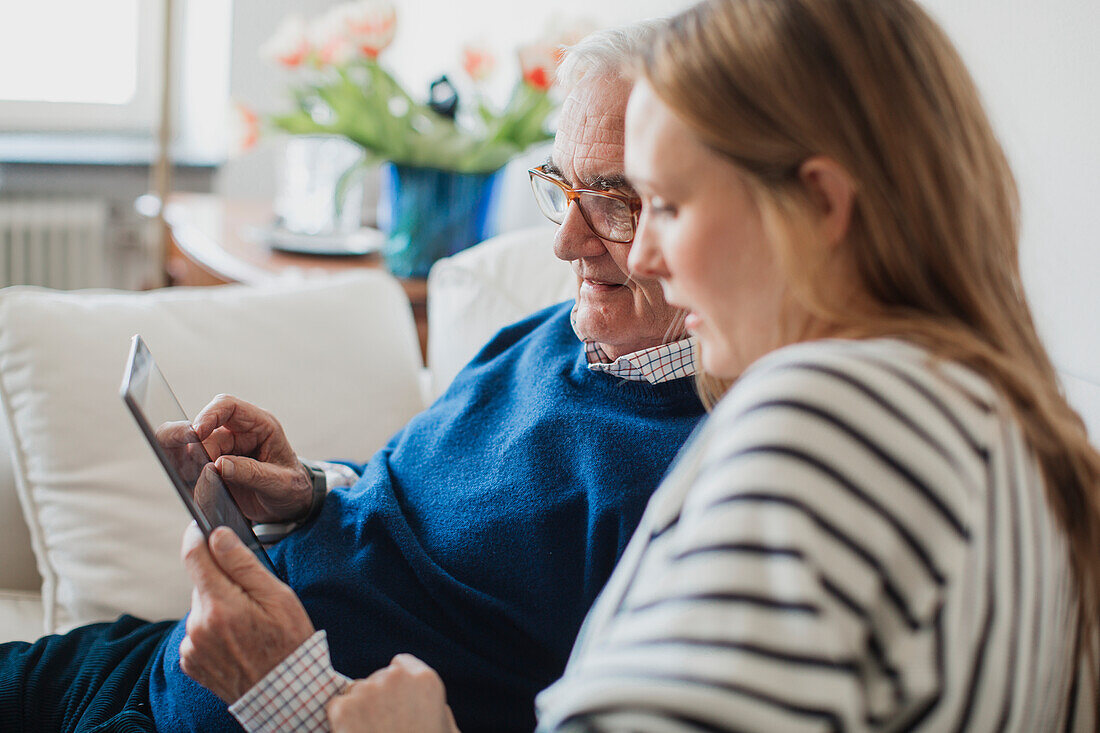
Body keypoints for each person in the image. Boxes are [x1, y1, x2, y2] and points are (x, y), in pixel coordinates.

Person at [319, 0, 1100, 730]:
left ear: (822, 206)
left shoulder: (828, 420)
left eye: (665, 204)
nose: (650, 253)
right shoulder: (1008, 428)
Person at [0, 22, 709, 733]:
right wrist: (308, 491)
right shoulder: (556, 331)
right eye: (562, 187)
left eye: (615, 204)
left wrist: (288, 691)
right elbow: (419, 494)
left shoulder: (691, 483)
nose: (565, 241)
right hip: (150, 663)